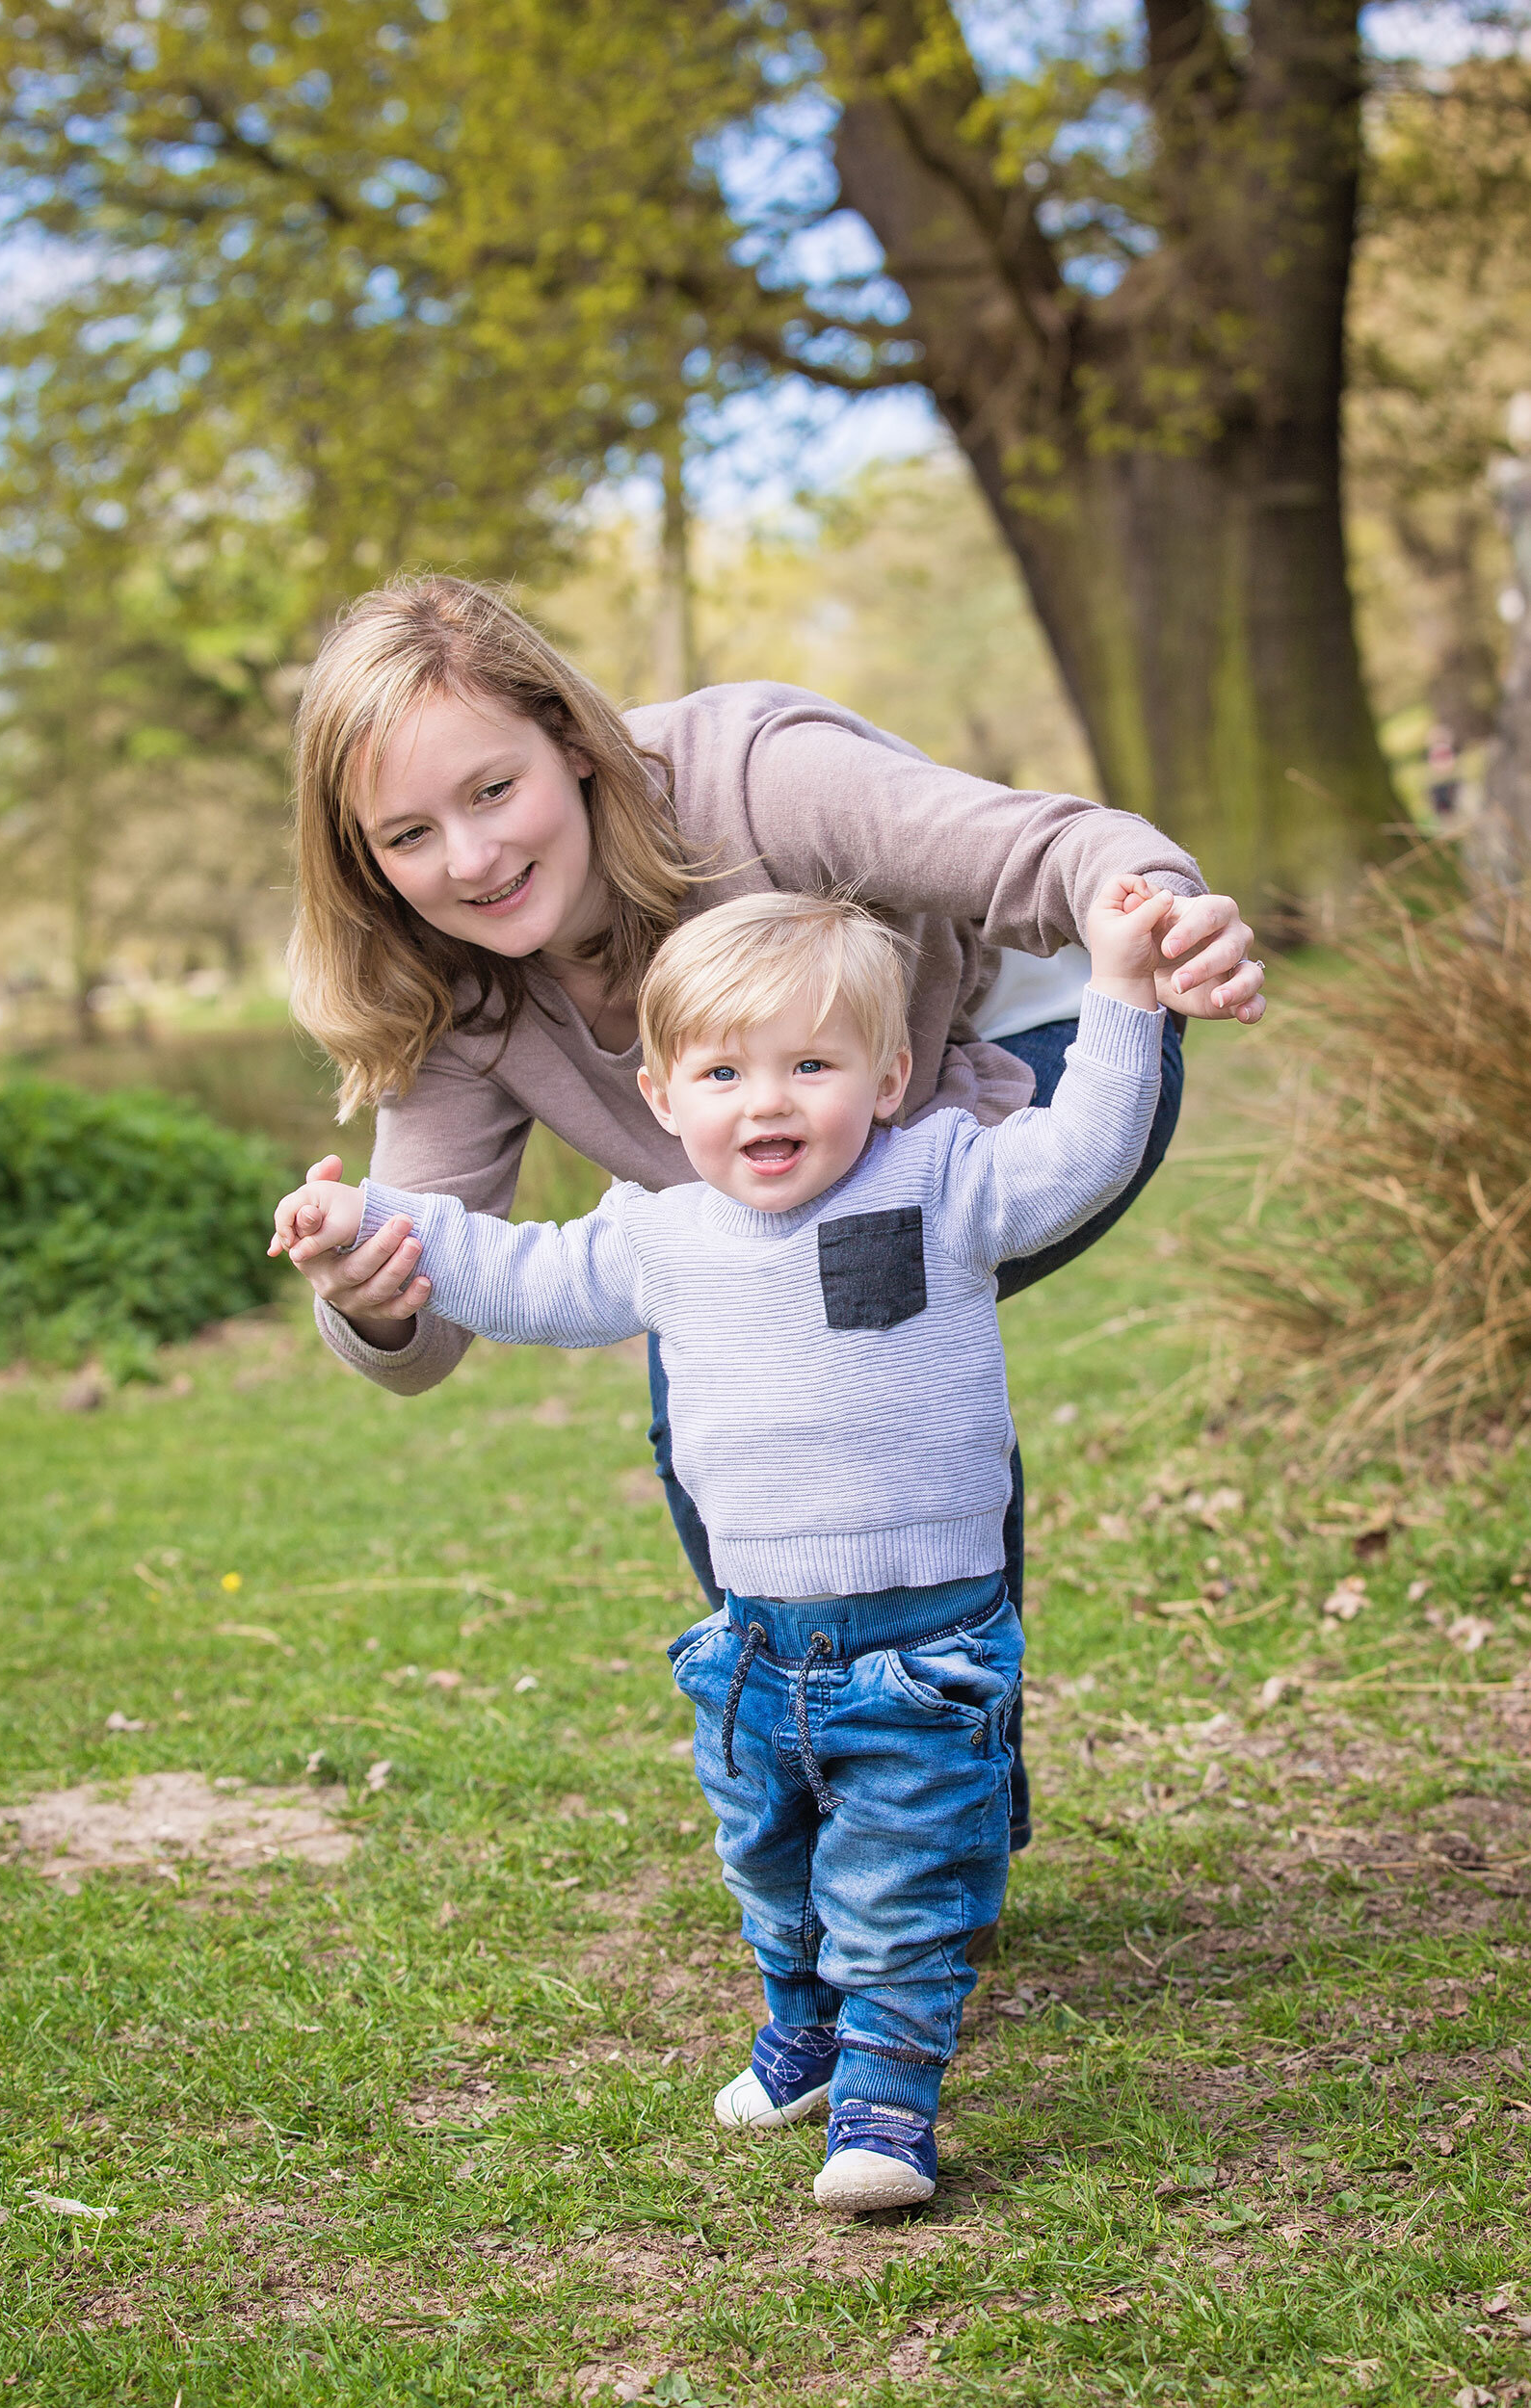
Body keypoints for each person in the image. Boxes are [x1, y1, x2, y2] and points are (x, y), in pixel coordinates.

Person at [281, 574, 1266, 1851]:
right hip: (782, 1201)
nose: (469, 859)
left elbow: (1050, 851)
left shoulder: (753, 778)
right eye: (407, 836)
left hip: (1034, 1061)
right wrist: (361, 1291)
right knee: (754, 1337)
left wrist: (1163, 917)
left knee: (843, 1319)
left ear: (571, 741)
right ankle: (840, 1753)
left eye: (490, 791)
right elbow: (430, 1295)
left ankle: (934, 1786)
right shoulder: (449, 994)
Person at [272, 883, 1173, 2212]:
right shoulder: (660, 1236)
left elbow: (1086, 1146)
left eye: (811, 1065)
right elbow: (514, 1271)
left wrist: (1123, 989)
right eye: (723, 1071)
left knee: (906, 1879)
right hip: (754, 1648)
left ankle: (885, 2099)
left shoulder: (943, 1182)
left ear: (888, 1076)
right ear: (660, 1093)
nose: (768, 1103)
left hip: (928, 1647)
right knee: (771, 1862)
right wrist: (363, 1230)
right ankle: (802, 2030)